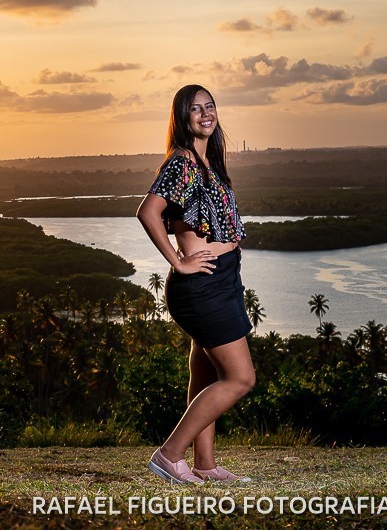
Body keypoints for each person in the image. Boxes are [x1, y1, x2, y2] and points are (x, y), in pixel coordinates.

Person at [135, 84, 255, 485]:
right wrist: (177, 261)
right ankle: (169, 455)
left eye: (210, 106)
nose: (205, 114)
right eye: (195, 109)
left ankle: (204, 464)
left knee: (205, 376)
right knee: (241, 379)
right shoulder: (183, 163)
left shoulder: (209, 162)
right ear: (182, 118)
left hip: (222, 279)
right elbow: (148, 212)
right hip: (202, 284)